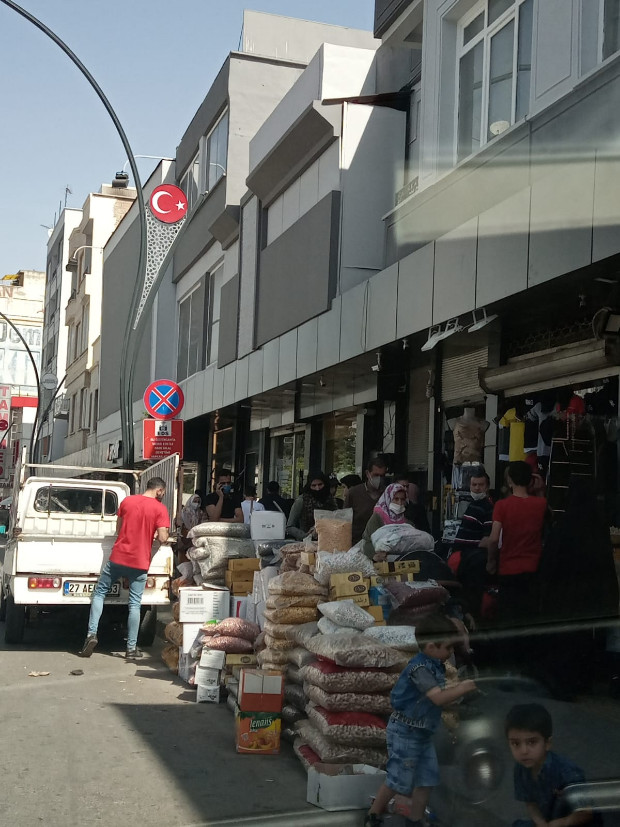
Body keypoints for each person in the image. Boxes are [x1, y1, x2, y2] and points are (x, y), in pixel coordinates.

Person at [364, 614, 477, 827]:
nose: (451, 652)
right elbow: (437, 698)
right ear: (431, 647)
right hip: (405, 732)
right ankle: (373, 814)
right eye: (448, 648)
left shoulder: (435, 665)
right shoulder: (420, 669)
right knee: (399, 780)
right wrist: (461, 688)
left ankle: (415, 819)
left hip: (423, 733)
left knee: (427, 778)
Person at [538, 478, 619, 697]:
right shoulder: (598, 528)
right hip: (589, 595)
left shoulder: (564, 525)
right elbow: (605, 564)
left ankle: (564, 683)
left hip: (563, 594)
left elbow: (550, 560)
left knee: (563, 641)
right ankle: (583, 681)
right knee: (583, 639)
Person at [78, 477, 170, 660]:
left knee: (100, 593)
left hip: (118, 557)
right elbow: (162, 538)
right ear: (159, 491)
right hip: (139, 562)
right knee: (135, 604)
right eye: (163, 493)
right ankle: (130, 648)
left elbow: (119, 529)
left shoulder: (127, 501)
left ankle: (92, 634)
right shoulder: (160, 509)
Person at [506, 703, 599, 826]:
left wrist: (560, 823)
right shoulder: (520, 769)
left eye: (532, 742)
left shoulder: (567, 773)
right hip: (550, 822)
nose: (524, 751)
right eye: (516, 744)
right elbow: (530, 803)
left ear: (548, 743)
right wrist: (541, 823)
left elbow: (586, 813)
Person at [486, 461, 548, 628]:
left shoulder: (502, 505)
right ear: (530, 481)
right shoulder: (540, 504)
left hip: (509, 568)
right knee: (530, 617)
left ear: (509, 480)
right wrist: (541, 490)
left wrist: (491, 562)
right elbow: (546, 515)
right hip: (533, 568)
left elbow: (493, 538)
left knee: (508, 616)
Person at [449, 468, 494, 619]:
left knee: (471, 597)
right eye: (474, 485)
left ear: (487, 486)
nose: (476, 488)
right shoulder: (473, 504)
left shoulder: (487, 507)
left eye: (480, 485)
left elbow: (488, 539)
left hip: (472, 561)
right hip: (462, 559)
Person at [345, 457, 388, 546]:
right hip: (356, 543)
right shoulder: (354, 493)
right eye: (375, 475)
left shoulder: (388, 494)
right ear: (368, 474)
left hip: (382, 544)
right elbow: (345, 521)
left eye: (382, 476)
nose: (379, 479)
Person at [361, 483, 410, 560]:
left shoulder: (407, 522)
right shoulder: (378, 518)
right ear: (388, 498)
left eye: (402, 499)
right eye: (396, 499)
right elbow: (367, 542)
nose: (399, 503)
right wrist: (374, 556)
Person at [286, 471, 337, 539]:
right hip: (306, 543)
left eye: (320, 484)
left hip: (328, 541)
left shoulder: (330, 500)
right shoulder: (301, 501)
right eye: (314, 485)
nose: (317, 488)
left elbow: (336, 520)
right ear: (309, 486)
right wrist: (306, 536)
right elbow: (289, 526)